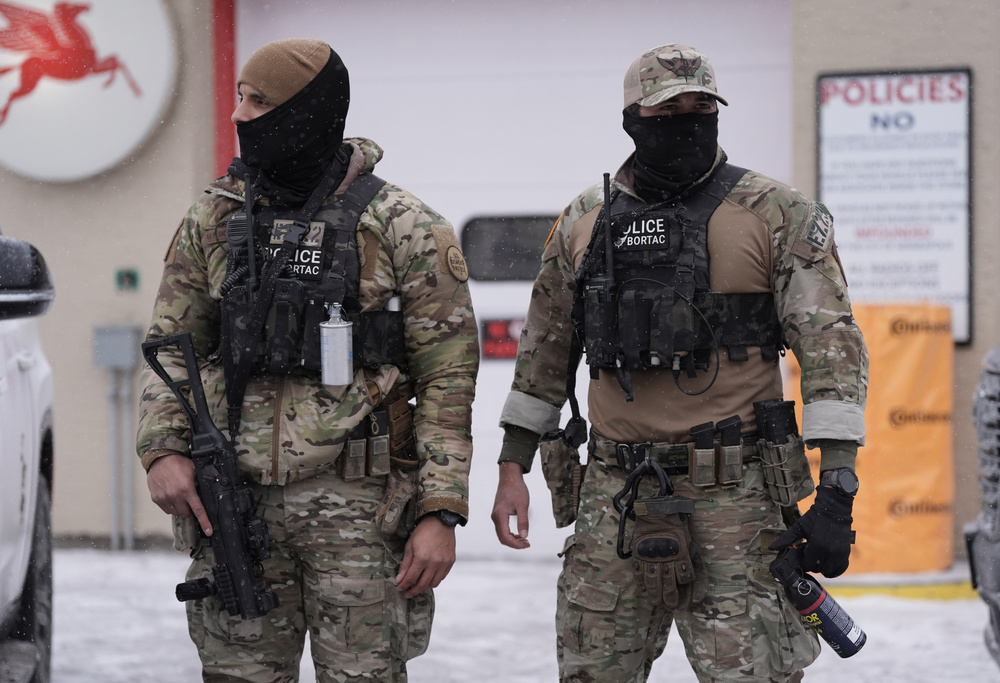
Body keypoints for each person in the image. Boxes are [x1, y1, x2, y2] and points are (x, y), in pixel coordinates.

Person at [491, 43, 868, 682]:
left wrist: (838, 488)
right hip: (616, 492)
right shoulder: (585, 219)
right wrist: (512, 464)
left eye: (701, 106)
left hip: (739, 496)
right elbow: (545, 351)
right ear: (632, 119)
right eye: (667, 110)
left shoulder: (776, 213)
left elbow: (831, 351)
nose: (686, 121)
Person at [137, 38, 478, 682]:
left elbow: (448, 378)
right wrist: (162, 448)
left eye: (260, 101)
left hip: (362, 513)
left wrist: (441, 510)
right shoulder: (214, 217)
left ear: (308, 112)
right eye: (238, 96)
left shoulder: (401, 224)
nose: (240, 115)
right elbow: (170, 345)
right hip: (233, 505)